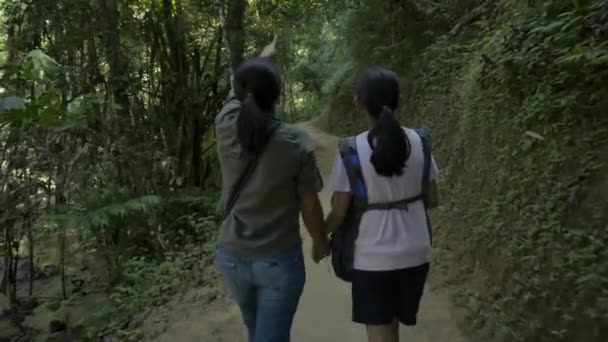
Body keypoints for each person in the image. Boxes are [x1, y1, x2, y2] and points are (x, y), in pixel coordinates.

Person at [214, 54, 329, 342]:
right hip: (279, 261)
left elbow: (234, 95)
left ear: (240, 92)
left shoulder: (225, 125)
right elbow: (310, 203)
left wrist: (259, 61)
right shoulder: (295, 143)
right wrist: (319, 240)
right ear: (276, 96)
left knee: (256, 331)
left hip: (233, 259)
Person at [325, 67, 440, 342]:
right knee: (394, 326)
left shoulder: (351, 150)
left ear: (359, 103)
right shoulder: (420, 142)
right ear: (398, 100)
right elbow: (433, 199)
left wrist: (319, 235)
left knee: (380, 332)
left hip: (372, 258)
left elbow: (339, 213)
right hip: (416, 253)